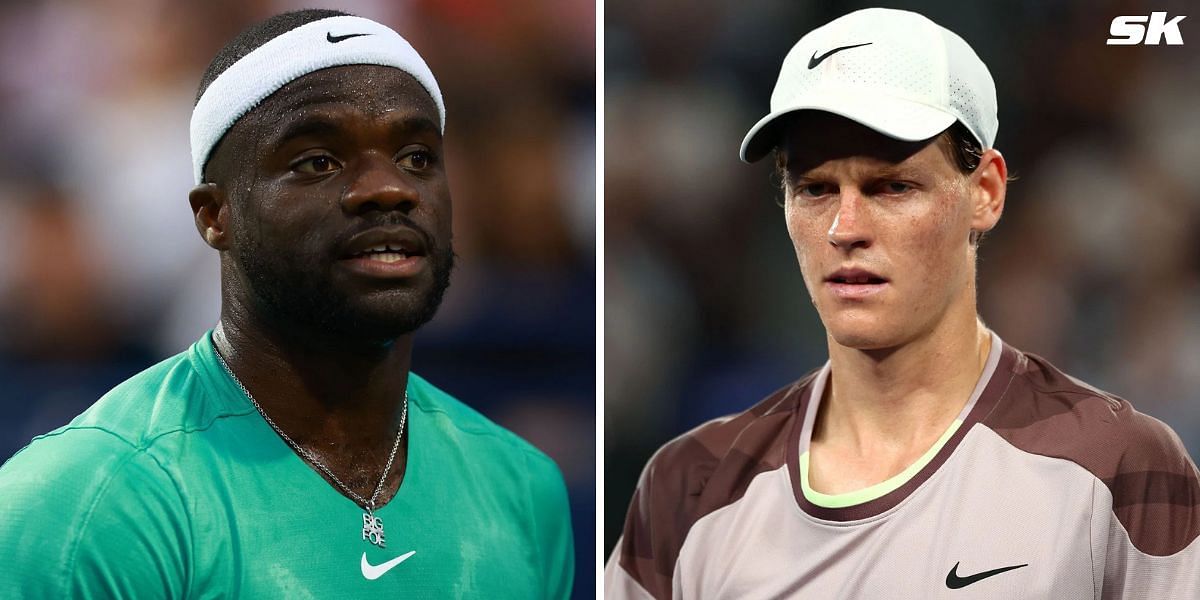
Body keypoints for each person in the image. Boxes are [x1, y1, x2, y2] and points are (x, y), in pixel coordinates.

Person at [605, 7, 1199, 599]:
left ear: (985, 193)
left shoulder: (1118, 467)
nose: (845, 227)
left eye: (892, 186)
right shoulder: (687, 488)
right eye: (813, 188)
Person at [0, 9, 573, 598]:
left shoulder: (524, 489)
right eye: (317, 162)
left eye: (417, 157)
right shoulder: (87, 501)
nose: (389, 188)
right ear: (215, 215)